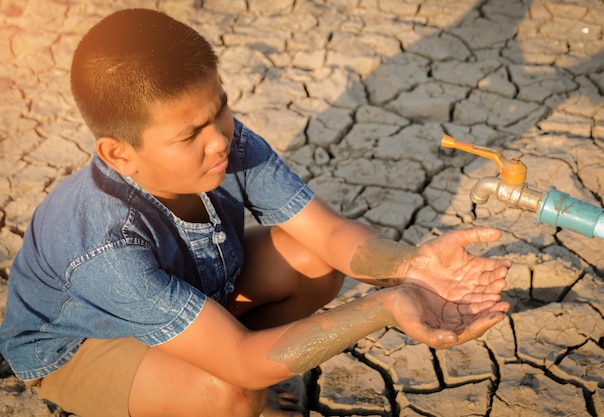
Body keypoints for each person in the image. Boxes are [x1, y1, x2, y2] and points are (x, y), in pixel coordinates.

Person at [0, 8, 512, 417]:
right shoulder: (103, 246)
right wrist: (386, 306)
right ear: (119, 154)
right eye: (189, 135)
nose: (220, 139)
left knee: (313, 258)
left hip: (187, 290)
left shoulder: (223, 139)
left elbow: (328, 231)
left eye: (220, 108)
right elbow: (243, 365)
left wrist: (409, 267)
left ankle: (208, 353)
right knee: (229, 392)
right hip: (83, 345)